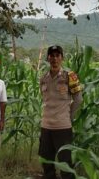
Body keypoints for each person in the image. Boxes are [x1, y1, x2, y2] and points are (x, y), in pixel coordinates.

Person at [39, 45, 83, 179]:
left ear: (62, 58)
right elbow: (45, 99)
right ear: (48, 58)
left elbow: (78, 99)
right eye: (52, 55)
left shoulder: (69, 76)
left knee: (65, 163)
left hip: (63, 127)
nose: (54, 58)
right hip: (46, 126)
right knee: (46, 160)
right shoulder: (43, 78)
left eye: (57, 55)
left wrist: (68, 116)